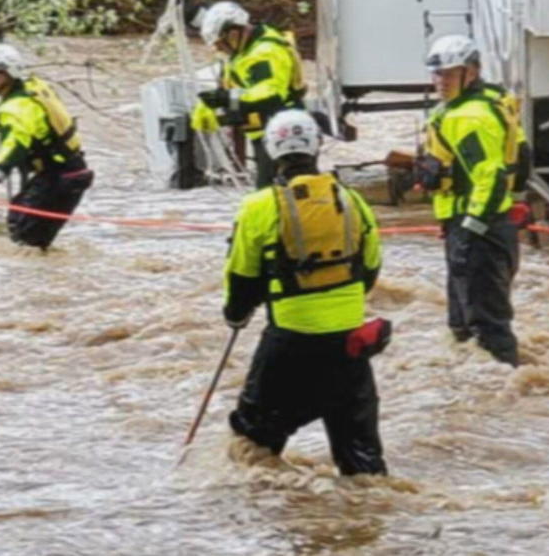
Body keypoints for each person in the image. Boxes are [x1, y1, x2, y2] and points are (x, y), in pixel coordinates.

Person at [223, 109, 389, 476]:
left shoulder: (258, 207)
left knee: (253, 447)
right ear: (317, 147)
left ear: (271, 150)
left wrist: (236, 313)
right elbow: (371, 267)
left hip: (290, 344)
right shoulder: (352, 200)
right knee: (362, 464)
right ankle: (368, 525)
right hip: (351, 344)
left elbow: (242, 276)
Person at [414, 34, 527, 367]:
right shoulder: (487, 103)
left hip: (479, 230)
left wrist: (470, 228)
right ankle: (469, 396)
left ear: (471, 73)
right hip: (475, 226)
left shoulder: (469, 117)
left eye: (448, 74)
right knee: (462, 322)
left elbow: (490, 176)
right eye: (436, 75)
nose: (440, 82)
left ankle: (504, 398)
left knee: (487, 327)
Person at [0, 43, 94, 250]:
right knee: (18, 219)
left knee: (25, 238)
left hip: (61, 178)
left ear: (1, 76)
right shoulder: (34, 87)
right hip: (66, 173)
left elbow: (13, 150)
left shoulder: (16, 109)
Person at [190, 1, 308, 189]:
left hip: (284, 136)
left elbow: (270, 94)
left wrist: (228, 100)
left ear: (234, 32)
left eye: (220, 42)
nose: (219, 48)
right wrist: (209, 105)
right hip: (268, 134)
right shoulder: (243, 52)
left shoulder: (265, 53)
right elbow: (233, 85)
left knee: (275, 196)